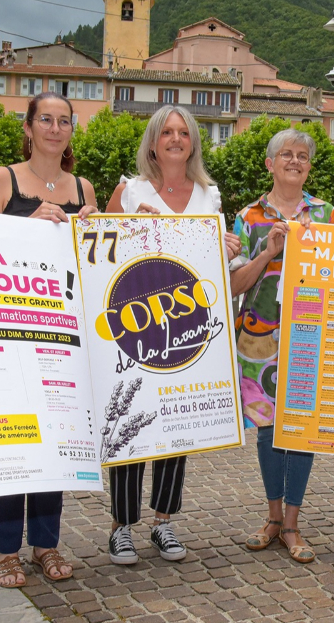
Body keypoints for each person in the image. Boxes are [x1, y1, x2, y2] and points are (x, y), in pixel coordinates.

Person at [101, 105, 241, 566]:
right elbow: (99, 251)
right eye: (167, 132)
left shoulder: (209, 194)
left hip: (186, 323)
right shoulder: (131, 189)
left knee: (176, 423)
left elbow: (214, 262)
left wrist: (226, 247)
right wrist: (126, 227)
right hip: (135, 320)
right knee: (129, 419)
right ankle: (122, 526)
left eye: (184, 132)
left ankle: (163, 521)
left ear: (194, 141)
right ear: (154, 142)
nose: (176, 139)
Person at [0, 91, 98, 587]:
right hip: (8, 330)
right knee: (12, 441)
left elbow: (93, 268)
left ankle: (46, 544)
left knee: (55, 446)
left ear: (72, 129)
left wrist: (94, 236)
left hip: (62, 333)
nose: (54, 128)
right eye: (44, 120)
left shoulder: (85, 187)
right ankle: (5, 550)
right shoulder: (0, 179)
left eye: (63, 121)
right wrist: (26, 225)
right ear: (28, 127)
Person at [233, 128, 334, 564]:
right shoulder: (249, 217)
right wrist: (268, 251)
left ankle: (293, 523)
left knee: (301, 428)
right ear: (269, 163)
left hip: (311, 336)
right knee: (268, 431)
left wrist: (316, 246)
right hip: (258, 339)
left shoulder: (327, 213)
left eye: (302, 156)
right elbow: (233, 282)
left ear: (309, 166)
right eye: (286, 155)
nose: (294, 161)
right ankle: (273, 518)